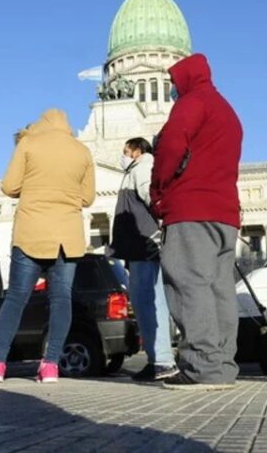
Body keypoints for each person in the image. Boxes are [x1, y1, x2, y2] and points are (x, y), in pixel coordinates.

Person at [150, 53, 243, 390]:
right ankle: (221, 364)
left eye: (174, 83)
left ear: (185, 79)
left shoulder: (192, 103)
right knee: (220, 289)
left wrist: (158, 188)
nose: (173, 90)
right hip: (225, 214)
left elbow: (172, 145)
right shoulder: (227, 111)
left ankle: (201, 366)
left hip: (192, 208)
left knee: (188, 282)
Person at [0, 109, 95, 383]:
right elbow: (89, 197)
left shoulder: (29, 143)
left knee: (16, 298)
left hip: (32, 231)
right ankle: (51, 365)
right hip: (66, 237)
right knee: (61, 300)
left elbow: (9, 186)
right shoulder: (82, 151)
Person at [109, 137, 177, 382]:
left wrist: (158, 229)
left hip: (144, 244)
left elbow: (152, 198)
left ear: (137, 151)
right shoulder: (135, 170)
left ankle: (162, 360)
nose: (123, 155)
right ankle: (157, 358)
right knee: (146, 301)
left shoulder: (143, 167)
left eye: (126, 150)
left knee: (148, 300)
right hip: (138, 244)